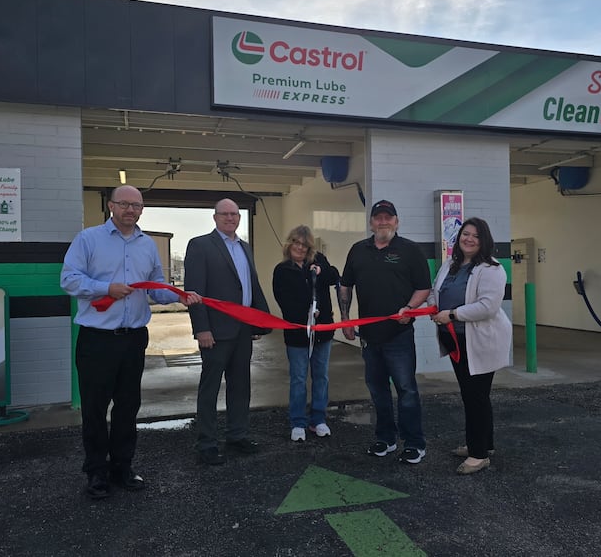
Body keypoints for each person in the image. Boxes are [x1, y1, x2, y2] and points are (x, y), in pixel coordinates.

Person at [60, 185, 202, 500]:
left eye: (136, 205)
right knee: (95, 409)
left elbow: (156, 288)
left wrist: (182, 296)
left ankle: (122, 467)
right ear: (111, 205)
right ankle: (96, 472)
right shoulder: (88, 239)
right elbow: (68, 280)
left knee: (128, 407)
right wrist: (105, 288)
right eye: (124, 204)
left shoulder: (147, 245)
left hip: (134, 339)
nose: (130, 210)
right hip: (97, 339)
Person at [339, 200, 432, 464]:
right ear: (371, 223)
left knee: (406, 390)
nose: (383, 222)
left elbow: (423, 288)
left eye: (388, 218)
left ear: (397, 221)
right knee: (377, 390)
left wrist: (409, 308)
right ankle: (386, 439)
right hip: (369, 337)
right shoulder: (358, 250)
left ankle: (414, 443)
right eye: (378, 218)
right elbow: (345, 286)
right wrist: (345, 319)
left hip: (398, 335)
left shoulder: (410, 251)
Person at [184, 198, 271, 465]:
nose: (230, 218)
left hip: (243, 329)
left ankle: (237, 435)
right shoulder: (200, 245)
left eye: (234, 214)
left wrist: (256, 322)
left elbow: (250, 285)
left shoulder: (245, 247)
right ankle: (207, 443)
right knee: (210, 389)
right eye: (225, 214)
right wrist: (202, 329)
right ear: (215, 217)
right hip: (215, 332)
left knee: (240, 386)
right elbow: (193, 292)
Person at [429, 217, 512, 475]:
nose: (469, 239)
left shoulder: (492, 269)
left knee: (475, 396)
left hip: (481, 342)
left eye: (475, 235)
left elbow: (487, 307)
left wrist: (452, 314)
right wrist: (427, 308)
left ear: (484, 240)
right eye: (465, 234)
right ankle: (483, 444)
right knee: (472, 395)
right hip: (456, 340)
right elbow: (435, 292)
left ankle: (478, 455)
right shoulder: (450, 265)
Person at [272, 225, 340, 442]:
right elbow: (283, 301)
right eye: (296, 242)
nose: (300, 247)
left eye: (304, 244)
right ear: (289, 244)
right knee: (299, 378)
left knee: (321, 376)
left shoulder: (318, 261)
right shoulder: (282, 270)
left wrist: (322, 270)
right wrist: (306, 315)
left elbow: (335, 276)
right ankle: (298, 422)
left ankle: (318, 419)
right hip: (297, 333)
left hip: (322, 332)